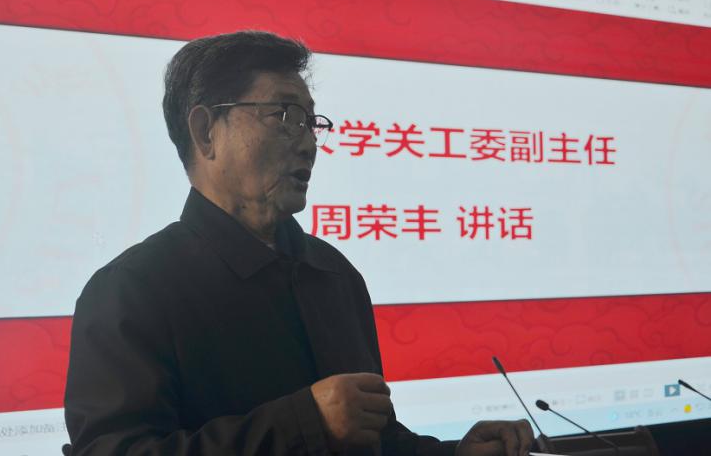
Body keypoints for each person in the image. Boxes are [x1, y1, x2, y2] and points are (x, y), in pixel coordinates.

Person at [64, 31, 535, 455]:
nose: (309, 144)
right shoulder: (131, 290)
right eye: (286, 116)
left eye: (312, 122)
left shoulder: (333, 274)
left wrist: (455, 454)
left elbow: (375, 439)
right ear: (206, 131)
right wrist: (304, 423)